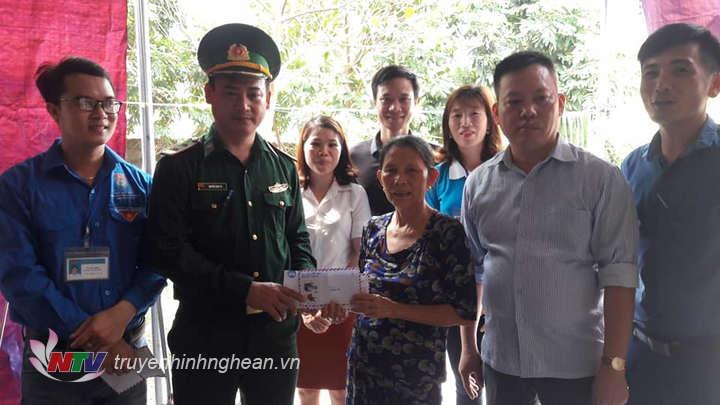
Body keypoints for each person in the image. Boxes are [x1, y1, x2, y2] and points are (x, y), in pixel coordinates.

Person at [144, 24, 316, 405]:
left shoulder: (283, 167)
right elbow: (165, 252)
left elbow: (297, 239)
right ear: (209, 93)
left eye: (254, 94)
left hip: (274, 336)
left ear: (269, 97)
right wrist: (246, 290)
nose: (244, 105)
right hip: (206, 335)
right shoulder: (179, 167)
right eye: (231, 93)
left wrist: (308, 284)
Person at [459, 51, 639, 405]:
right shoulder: (478, 184)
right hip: (502, 362)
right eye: (515, 102)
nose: (528, 111)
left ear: (560, 103)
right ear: (497, 114)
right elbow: (472, 271)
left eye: (541, 99)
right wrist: (469, 348)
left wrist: (614, 367)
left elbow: (620, 276)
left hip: (575, 366)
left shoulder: (600, 179)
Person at [0, 57, 166, 404]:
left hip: (125, 352)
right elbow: (19, 275)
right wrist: (96, 338)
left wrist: (122, 314)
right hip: (54, 358)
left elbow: (159, 260)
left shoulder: (141, 186)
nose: (100, 113)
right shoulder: (17, 187)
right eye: (85, 102)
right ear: (54, 110)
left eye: (108, 103)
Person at [620, 23, 720, 405]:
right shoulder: (632, 167)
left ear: (714, 83)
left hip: (710, 362)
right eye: (651, 72)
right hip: (641, 354)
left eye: (681, 70)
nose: (661, 84)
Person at [347, 136, 477, 405]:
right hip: (364, 368)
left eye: (412, 171)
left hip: (416, 378)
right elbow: (362, 294)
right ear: (380, 178)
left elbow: (463, 311)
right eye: (391, 170)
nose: (400, 179)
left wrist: (394, 309)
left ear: (431, 178)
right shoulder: (373, 228)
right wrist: (337, 306)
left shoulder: (447, 233)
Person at [425, 85, 503, 405]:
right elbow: (426, 237)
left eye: (474, 114)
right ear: (447, 123)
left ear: (490, 121)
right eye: (456, 116)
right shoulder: (436, 177)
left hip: (502, 299)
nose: (465, 123)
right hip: (454, 302)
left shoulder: (505, 170)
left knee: (508, 386)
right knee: (467, 387)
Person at [294, 116, 371, 405]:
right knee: (306, 387)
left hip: (342, 304)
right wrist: (306, 308)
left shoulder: (354, 193)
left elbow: (359, 252)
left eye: (332, 145)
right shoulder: (289, 192)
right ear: (303, 147)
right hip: (300, 304)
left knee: (341, 388)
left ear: (342, 150)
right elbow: (287, 251)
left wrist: (335, 300)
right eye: (315, 144)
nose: (323, 152)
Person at [350, 65, 421, 215]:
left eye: (404, 99)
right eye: (386, 99)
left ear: (416, 101)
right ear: (374, 102)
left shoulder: (434, 157)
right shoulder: (353, 157)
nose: (395, 107)